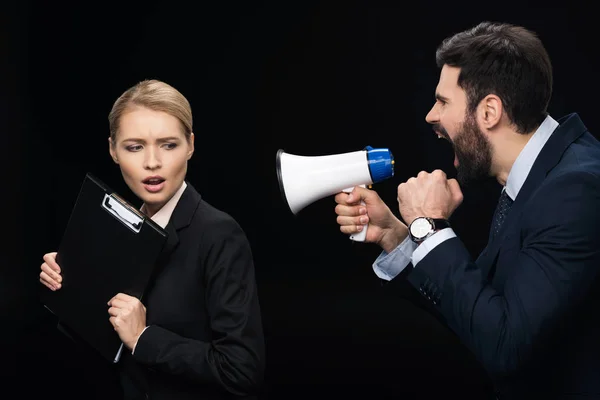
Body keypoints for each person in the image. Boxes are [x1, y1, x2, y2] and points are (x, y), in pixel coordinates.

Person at [334, 22, 600, 399]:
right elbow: (480, 315)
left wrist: (429, 226)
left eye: (443, 101)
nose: (430, 116)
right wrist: (399, 236)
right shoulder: (539, 177)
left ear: (489, 111)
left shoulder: (575, 191)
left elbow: (505, 345)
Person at [39, 79, 265, 400]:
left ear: (191, 145)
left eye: (169, 144)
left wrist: (144, 338)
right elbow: (106, 354)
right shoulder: (116, 229)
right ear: (112, 151)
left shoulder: (219, 234)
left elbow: (242, 370)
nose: (152, 163)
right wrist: (69, 288)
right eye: (134, 147)